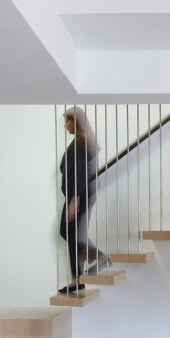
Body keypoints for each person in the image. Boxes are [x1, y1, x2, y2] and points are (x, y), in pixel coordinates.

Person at [58, 107, 109, 293]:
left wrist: (76, 198)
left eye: (68, 121)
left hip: (78, 195)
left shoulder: (81, 143)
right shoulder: (80, 142)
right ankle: (77, 277)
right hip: (78, 194)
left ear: (76, 122)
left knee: (69, 232)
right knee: (71, 233)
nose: (65, 126)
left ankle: (95, 262)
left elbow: (80, 171)